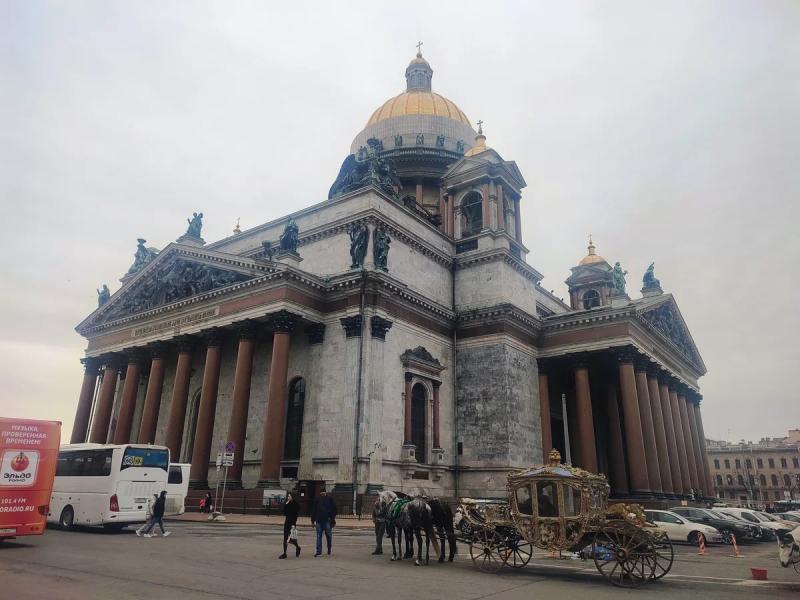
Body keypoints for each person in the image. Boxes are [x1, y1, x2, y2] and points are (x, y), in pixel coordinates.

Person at [310, 487, 336, 557]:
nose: (322, 494)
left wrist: (332, 520)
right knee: (319, 536)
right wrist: (312, 521)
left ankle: (329, 548)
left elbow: (334, 510)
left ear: (325, 492)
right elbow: (314, 510)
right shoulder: (317, 500)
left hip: (327, 520)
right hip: (319, 520)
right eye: (321, 493)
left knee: (329, 536)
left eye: (323, 492)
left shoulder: (330, 499)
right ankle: (319, 551)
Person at [279, 492, 301, 559]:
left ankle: (297, 547)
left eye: (289, 496)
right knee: (285, 538)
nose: (288, 497)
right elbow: (283, 512)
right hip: (287, 522)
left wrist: (293, 524)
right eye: (288, 496)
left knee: (291, 539)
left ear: (292, 497)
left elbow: (295, 515)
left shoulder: (296, 505)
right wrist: (285, 504)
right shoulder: (287, 504)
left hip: (292, 523)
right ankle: (285, 553)